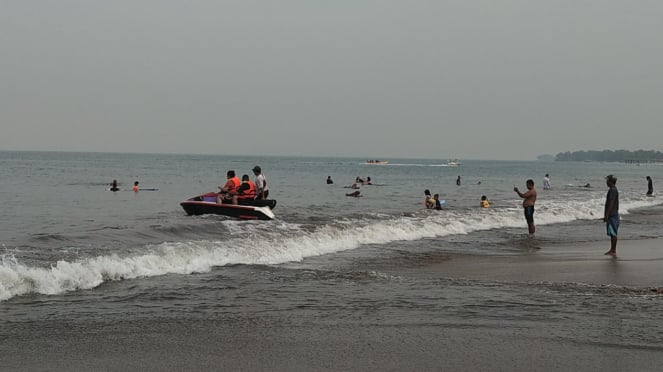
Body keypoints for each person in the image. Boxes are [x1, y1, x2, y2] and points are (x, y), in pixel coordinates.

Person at [603, 174, 620, 256]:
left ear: (610, 182)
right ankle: (612, 249)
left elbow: (611, 202)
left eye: (607, 181)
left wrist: (607, 214)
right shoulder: (613, 189)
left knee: (613, 232)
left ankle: (613, 250)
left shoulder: (613, 190)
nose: (606, 182)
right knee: (612, 232)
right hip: (613, 213)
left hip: (612, 214)